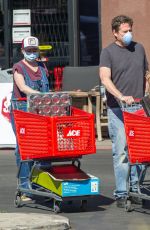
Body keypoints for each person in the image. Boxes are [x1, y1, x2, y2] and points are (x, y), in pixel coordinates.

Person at [99, 15, 149, 208]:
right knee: (121, 152)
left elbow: (146, 73)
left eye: (130, 30)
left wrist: (146, 91)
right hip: (118, 109)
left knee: (139, 152)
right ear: (115, 33)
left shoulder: (139, 48)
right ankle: (121, 192)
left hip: (138, 108)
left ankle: (135, 189)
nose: (129, 34)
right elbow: (105, 78)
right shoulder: (108, 52)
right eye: (124, 32)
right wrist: (120, 96)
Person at [10, 36, 50, 201]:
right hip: (22, 111)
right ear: (22, 51)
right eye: (29, 50)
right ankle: (25, 187)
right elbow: (22, 87)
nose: (32, 53)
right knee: (24, 149)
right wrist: (40, 96)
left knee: (41, 149)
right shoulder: (18, 67)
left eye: (34, 50)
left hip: (40, 112)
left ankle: (40, 184)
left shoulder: (42, 67)